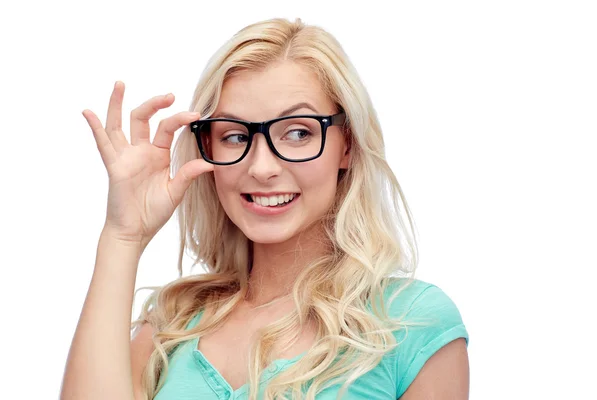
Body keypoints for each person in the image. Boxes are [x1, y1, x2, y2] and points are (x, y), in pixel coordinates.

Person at [61, 17, 469, 400]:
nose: (261, 168)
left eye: (297, 132)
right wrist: (123, 236)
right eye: (236, 136)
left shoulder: (413, 324)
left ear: (346, 144)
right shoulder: (171, 326)